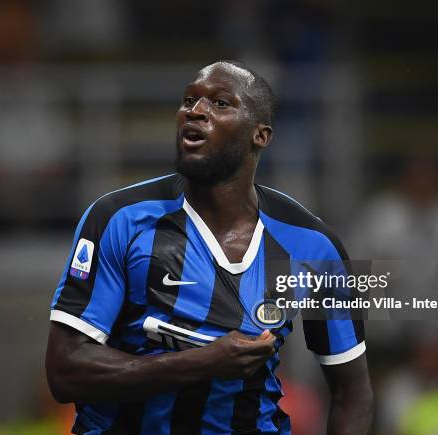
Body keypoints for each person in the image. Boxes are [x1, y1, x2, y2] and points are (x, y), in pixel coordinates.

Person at [45, 61, 373, 434]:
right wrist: (203, 362)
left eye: (220, 103)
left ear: (260, 135)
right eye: (189, 100)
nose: (195, 111)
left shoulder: (313, 246)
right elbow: (64, 370)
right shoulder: (119, 219)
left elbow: (353, 392)